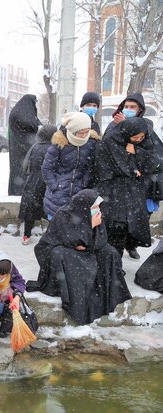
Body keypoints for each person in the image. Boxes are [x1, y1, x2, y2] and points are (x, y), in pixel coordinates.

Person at [27, 189, 132, 325]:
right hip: (65, 250)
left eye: (97, 207)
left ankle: (106, 292)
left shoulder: (96, 215)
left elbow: (101, 240)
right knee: (60, 255)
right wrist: (88, 230)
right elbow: (68, 239)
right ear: (84, 206)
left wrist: (92, 229)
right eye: (94, 207)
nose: (97, 210)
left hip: (87, 249)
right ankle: (72, 295)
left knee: (110, 253)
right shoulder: (64, 215)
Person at [95, 117, 162, 259]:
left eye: (142, 137)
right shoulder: (109, 142)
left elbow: (156, 162)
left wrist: (137, 151)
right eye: (135, 137)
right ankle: (108, 263)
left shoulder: (142, 144)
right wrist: (132, 170)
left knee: (126, 230)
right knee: (111, 230)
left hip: (133, 195)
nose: (138, 139)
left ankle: (116, 263)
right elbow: (104, 170)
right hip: (111, 194)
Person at [42, 112, 99, 219]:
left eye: (86, 132)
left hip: (80, 193)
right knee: (56, 229)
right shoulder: (59, 143)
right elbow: (47, 168)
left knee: (75, 229)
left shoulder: (92, 143)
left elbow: (91, 167)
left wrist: (84, 183)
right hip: (57, 195)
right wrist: (55, 186)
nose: (83, 135)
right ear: (72, 131)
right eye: (80, 133)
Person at [18, 125, 56, 245]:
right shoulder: (53, 148)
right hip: (47, 182)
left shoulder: (35, 146)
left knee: (30, 209)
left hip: (32, 182)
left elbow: (26, 167)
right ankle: (51, 236)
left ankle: (26, 235)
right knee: (49, 210)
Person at [8, 94, 41, 195]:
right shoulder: (21, 114)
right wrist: (38, 126)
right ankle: (19, 191)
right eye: (34, 103)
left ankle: (19, 191)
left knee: (20, 171)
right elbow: (30, 124)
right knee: (21, 171)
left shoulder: (19, 110)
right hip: (22, 148)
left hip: (20, 147)